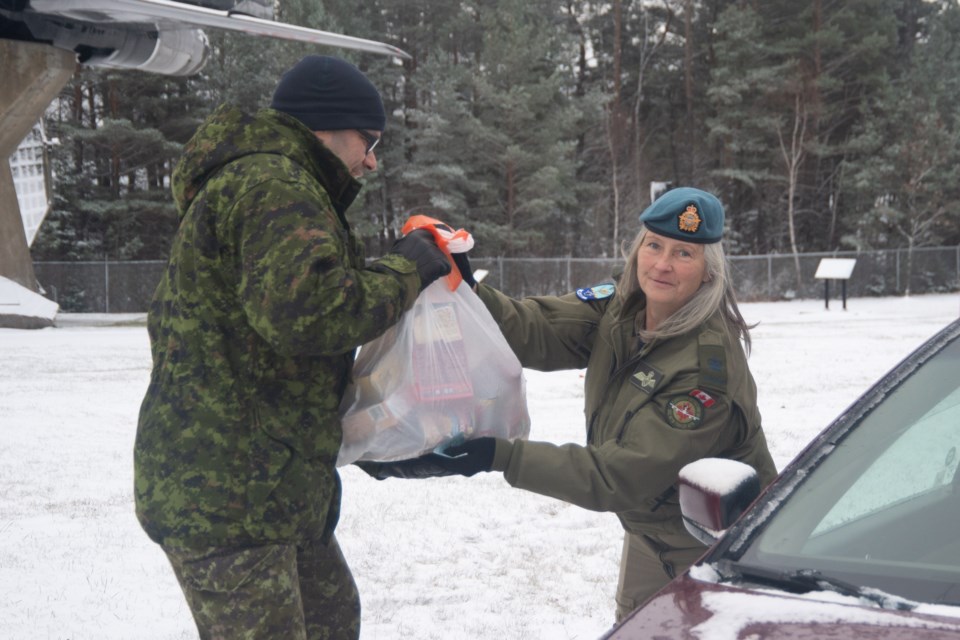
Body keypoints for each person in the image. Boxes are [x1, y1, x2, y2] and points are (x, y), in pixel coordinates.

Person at [133, 54, 451, 639]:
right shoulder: (273, 185)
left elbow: (301, 295)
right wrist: (407, 273)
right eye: (369, 139)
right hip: (229, 498)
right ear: (326, 127)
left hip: (272, 487)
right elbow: (310, 314)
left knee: (333, 620)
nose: (372, 159)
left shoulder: (278, 185)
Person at [363, 187, 778, 620]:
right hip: (649, 531)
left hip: (716, 548)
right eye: (654, 245)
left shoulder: (705, 369)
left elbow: (616, 475)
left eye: (684, 254)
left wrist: (498, 455)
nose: (662, 264)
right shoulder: (621, 308)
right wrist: (464, 286)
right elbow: (535, 329)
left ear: (708, 273)